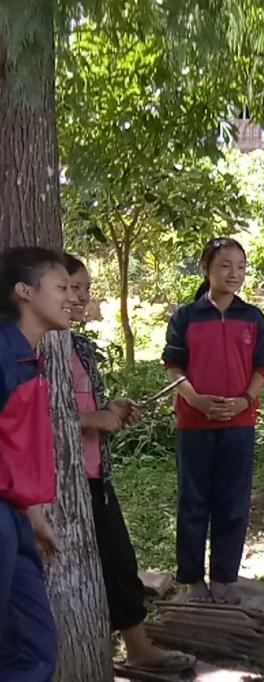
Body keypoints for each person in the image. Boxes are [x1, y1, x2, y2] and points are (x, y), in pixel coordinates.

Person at [64, 255, 195, 673]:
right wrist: (89, 419)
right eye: (70, 289)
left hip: (94, 474)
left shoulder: (77, 346)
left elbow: (79, 406)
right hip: (56, 481)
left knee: (118, 561)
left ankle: (137, 650)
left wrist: (108, 410)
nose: (81, 298)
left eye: (85, 289)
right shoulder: (24, 349)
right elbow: (28, 416)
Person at [162, 237, 264, 605]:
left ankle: (225, 577)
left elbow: (263, 366)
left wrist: (244, 400)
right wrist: (196, 400)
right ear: (206, 268)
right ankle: (192, 579)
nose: (234, 274)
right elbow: (173, 366)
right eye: (225, 265)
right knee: (193, 501)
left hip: (239, 424)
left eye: (240, 267)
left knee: (233, 502)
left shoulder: (253, 318)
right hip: (193, 425)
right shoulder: (186, 317)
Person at [0, 247, 72, 681]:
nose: (73, 297)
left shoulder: (29, 356)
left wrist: (33, 513)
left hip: (16, 517)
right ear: (24, 291)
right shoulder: (3, 354)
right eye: (61, 287)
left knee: (33, 648)